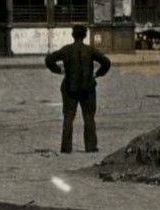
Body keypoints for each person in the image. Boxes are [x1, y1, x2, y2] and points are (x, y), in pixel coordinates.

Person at [44, 25, 111, 153]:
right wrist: (98, 74)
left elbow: (49, 59)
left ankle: (66, 147)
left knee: (68, 117)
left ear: (73, 35)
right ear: (85, 36)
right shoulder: (90, 50)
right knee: (89, 117)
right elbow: (106, 62)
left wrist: (58, 70)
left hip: (70, 87)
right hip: (88, 88)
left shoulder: (66, 50)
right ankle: (90, 146)